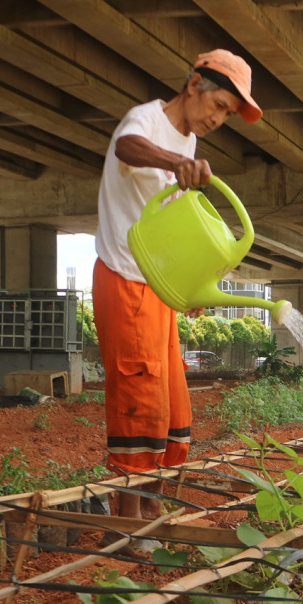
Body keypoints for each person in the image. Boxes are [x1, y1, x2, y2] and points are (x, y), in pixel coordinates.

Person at [92, 49, 262, 523]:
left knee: (169, 403)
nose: (218, 119)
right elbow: (126, 147)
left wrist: (188, 285)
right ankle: (126, 522)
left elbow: (171, 222)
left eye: (227, 114)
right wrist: (174, 160)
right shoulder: (144, 120)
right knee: (138, 396)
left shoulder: (186, 143)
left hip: (159, 284)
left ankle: (149, 503)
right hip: (125, 277)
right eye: (219, 105)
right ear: (193, 85)